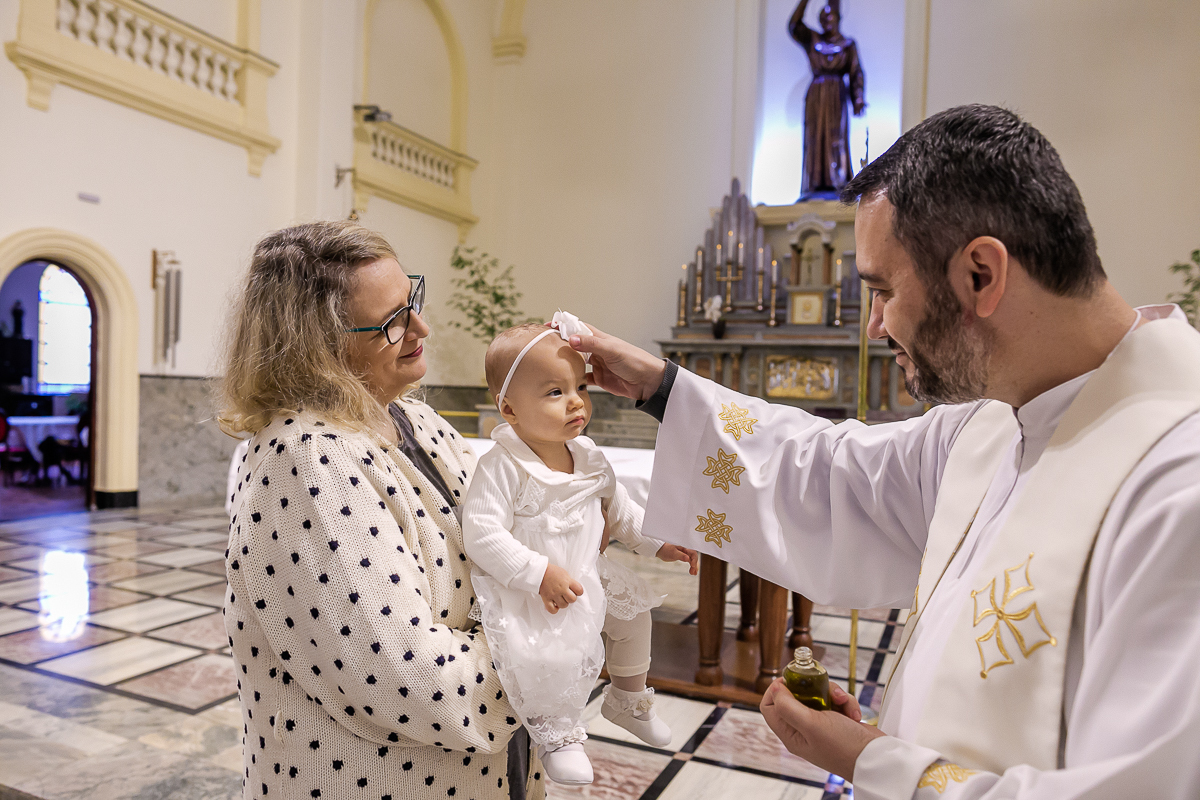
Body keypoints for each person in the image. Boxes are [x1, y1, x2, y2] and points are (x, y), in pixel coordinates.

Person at [566, 105, 1200, 798]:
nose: (873, 325)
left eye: (882, 291)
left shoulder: (1176, 488)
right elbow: (836, 474)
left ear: (981, 275)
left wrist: (876, 762)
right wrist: (662, 388)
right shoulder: (992, 420)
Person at [220, 221, 544, 800]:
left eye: (411, 301)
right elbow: (418, 683)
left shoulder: (411, 417)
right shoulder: (303, 461)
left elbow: (507, 541)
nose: (421, 327)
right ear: (315, 346)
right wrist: (554, 645)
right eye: (393, 322)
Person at [463, 317, 698, 785]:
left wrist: (659, 544)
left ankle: (629, 700)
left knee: (634, 614)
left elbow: (621, 509)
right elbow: (482, 534)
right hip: (532, 586)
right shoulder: (503, 466)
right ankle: (558, 734)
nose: (576, 403)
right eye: (554, 393)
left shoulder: (588, 455)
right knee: (551, 654)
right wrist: (536, 573)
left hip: (587, 569)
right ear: (509, 410)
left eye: (581, 388)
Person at [789, 0, 866, 197]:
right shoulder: (813, 39)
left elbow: (856, 72)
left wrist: (858, 98)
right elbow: (794, 26)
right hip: (816, 95)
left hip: (836, 96)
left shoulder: (848, 45)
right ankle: (814, 183)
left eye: (829, 16)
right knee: (814, 138)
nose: (826, 21)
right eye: (822, 18)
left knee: (835, 137)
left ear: (838, 19)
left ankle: (836, 182)